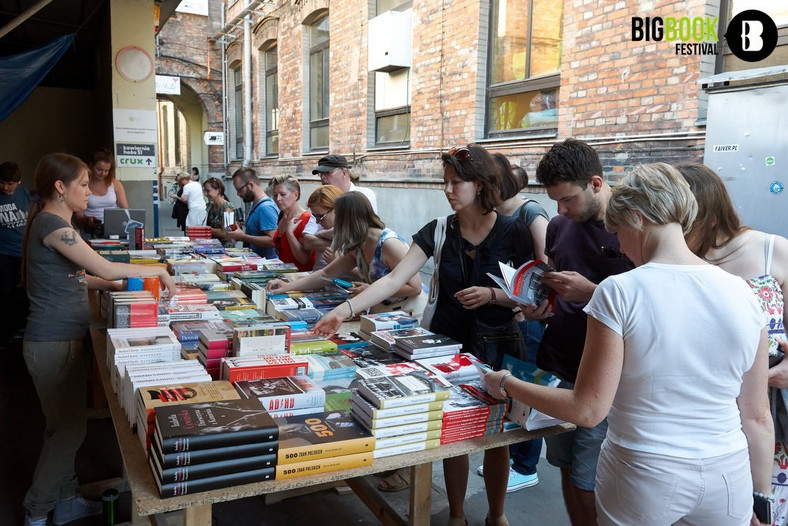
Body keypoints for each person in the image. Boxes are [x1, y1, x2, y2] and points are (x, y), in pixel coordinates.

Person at [483, 162, 774, 525]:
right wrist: (760, 503)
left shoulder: (619, 291)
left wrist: (507, 385)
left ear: (637, 219)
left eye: (617, 231)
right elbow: (757, 414)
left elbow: (588, 409)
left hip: (645, 472)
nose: (619, 244)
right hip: (727, 473)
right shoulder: (743, 292)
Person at [313, 144, 534, 526]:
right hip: (447, 344)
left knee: (499, 437)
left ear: (480, 185)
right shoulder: (438, 229)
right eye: (445, 182)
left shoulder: (514, 231)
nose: (448, 189)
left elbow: (531, 294)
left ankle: (497, 516)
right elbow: (396, 279)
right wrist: (342, 310)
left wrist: (495, 295)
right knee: (452, 435)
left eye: (457, 182)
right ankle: (457, 515)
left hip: (499, 343)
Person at [21, 153, 175, 526]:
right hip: (52, 342)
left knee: (64, 426)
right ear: (61, 188)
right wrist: (157, 268)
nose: (90, 192)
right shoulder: (52, 225)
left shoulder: (57, 225)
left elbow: (81, 277)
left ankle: (66, 497)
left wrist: (116, 284)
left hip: (63, 338)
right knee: (67, 430)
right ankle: (37, 510)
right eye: (84, 184)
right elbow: (101, 265)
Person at [520, 138, 634, 526]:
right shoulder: (557, 226)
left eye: (568, 199)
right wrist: (540, 307)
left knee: (591, 478)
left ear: (597, 184)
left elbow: (657, 300)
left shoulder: (634, 227)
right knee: (566, 466)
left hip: (607, 373)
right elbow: (557, 289)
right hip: (558, 364)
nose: (561, 209)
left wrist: (591, 292)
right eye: (555, 200)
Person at [679, 162, 788, 521]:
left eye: (682, 224)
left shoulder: (774, 250)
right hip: (705, 412)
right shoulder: (678, 261)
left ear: (708, 215)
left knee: (765, 510)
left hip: (772, 408)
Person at [474, 153, 549, 492]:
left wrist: (522, 302)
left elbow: (545, 268)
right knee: (506, 387)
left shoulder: (531, 213)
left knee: (525, 389)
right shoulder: (495, 216)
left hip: (525, 318)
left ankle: (525, 465)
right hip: (505, 317)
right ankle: (505, 459)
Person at [267, 191, 422, 304]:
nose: (323, 225)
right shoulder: (357, 244)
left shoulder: (389, 244)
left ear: (347, 220)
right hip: (383, 311)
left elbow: (415, 287)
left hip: (408, 310)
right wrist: (287, 287)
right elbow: (326, 274)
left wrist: (371, 289)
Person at [0, 161, 31, 347]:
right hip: (3, 253)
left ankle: (20, 330)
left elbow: (37, 206)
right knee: (5, 292)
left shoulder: (24, 193)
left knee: (23, 291)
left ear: (18, 182)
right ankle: (5, 334)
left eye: (10, 183)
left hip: (23, 251)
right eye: (2, 182)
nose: (5, 187)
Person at [224, 167, 279, 258]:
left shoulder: (265, 208)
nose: (238, 194)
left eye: (239, 190)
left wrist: (243, 236)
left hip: (265, 267)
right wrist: (238, 234)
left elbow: (274, 241)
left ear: (251, 185)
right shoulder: (257, 205)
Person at [74, 149, 128, 237]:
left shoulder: (115, 184)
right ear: (91, 166)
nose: (103, 173)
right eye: (99, 169)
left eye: (106, 171)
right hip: (91, 229)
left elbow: (126, 210)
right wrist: (87, 220)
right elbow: (78, 217)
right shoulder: (83, 184)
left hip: (113, 228)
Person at [270, 174, 318, 271]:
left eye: (282, 194)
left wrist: (289, 234)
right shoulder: (282, 215)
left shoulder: (306, 219)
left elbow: (304, 260)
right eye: (275, 195)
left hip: (301, 279)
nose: (277, 199)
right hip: (284, 275)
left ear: (295, 195)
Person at [312, 154, 378, 213]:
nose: (323, 177)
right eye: (320, 174)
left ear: (344, 173)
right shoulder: (321, 199)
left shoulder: (365, 195)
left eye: (328, 172)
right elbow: (312, 224)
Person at [302, 184, 343, 270]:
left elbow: (366, 275)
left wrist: (339, 261)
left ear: (337, 209)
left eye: (320, 217)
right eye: (314, 216)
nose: (317, 221)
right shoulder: (320, 212)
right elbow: (307, 242)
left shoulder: (356, 231)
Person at [203, 177, 235, 247]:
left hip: (225, 248)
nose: (206, 194)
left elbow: (226, 233)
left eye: (208, 191)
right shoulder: (210, 206)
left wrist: (204, 228)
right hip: (212, 245)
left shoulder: (228, 208)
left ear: (218, 191)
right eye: (204, 191)